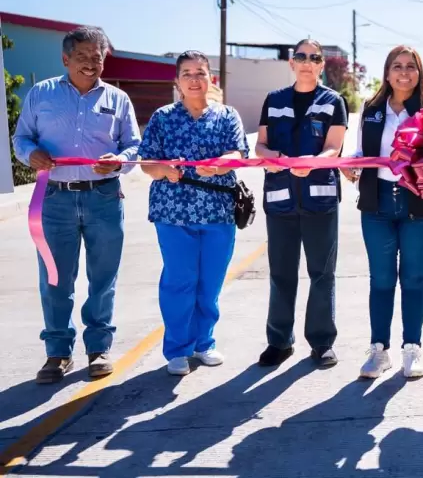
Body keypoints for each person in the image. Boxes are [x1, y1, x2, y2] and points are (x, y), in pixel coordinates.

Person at [12, 26, 141, 384]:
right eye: (81, 57)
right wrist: (30, 153)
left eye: (96, 57)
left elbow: (134, 147)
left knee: (103, 279)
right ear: (65, 59)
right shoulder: (42, 94)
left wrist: (118, 160)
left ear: (104, 59)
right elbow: (21, 136)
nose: (89, 64)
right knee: (55, 279)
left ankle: (98, 349)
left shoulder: (118, 99)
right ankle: (57, 353)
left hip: (104, 198)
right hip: (54, 199)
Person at [138, 51, 248, 376]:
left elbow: (238, 152)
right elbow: (146, 162)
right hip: (173, 213)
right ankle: (177, 348)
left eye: (200, 72)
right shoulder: (162, 117)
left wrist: (221, 164)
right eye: (187, 73)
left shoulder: (227, 115)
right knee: (180, 281)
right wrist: (163, 169)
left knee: (210, 283)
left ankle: (204, 343)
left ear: (210, 78)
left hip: (218, 212)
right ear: (177, 82)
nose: (195, 79)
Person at [341, 45, 423, 379]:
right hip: (377, 203)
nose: (403, 72)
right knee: (381, 279)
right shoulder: (371, 109)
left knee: (413, 278)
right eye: (397, 66)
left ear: (419, 72)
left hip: (419, 205)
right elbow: (362, 150)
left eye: (410, 66)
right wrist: (352, 163)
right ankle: (378, 351)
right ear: (387, 73)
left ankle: (412, 349)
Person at [254, 39, 348, 368]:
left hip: (319, 199)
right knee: (281, 273)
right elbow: (260, 146)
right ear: (291, 63)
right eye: (302, 56)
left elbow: (333, 147)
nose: (308, 62)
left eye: (315, 57)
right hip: (280, 200)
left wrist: (315, 162)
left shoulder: (333, 101)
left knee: (322, 273)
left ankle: (322, 342)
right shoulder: (274, 100)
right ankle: (279, 341)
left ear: (322, 64)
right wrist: (275, 157)